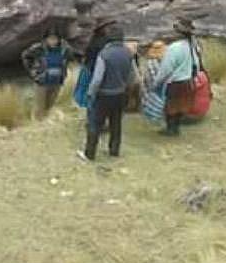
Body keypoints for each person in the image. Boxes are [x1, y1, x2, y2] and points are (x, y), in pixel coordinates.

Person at [79, 23, 133, 161]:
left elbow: (97, 79)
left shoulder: (104, 54)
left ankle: (89, 154)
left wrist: (91, 93)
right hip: (120, 93)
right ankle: (114, 150)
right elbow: (132, 76)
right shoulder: (128, 53)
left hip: (104, 95)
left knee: (95, 124)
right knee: (116, 124)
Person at [153, 18, 201, 136]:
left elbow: (166, 68)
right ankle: (176, 127)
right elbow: (196, 63)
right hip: (187, 81)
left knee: (171, 107)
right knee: (180, 106)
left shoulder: (174, 48)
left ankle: (171, 129)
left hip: (175, 82)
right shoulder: (192, 46)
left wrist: (157, 82)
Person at [21, 25, 76, 119]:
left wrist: (65, 68)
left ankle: (45, 122)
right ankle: (37, 126)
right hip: (42, 81)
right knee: (40, 108)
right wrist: (32, 71)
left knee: (49, 105)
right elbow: (25, 55)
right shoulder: (38, 48)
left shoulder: (65, 49)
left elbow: (72, 57)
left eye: (55, 39)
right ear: (45, 39)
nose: (53, 41)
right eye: (50, 39)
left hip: (57, 81)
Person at [141, 40, 168, 124]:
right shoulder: (152, 63)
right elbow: (153, 81)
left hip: (155, 87)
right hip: (155, 88)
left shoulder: (152, 61)